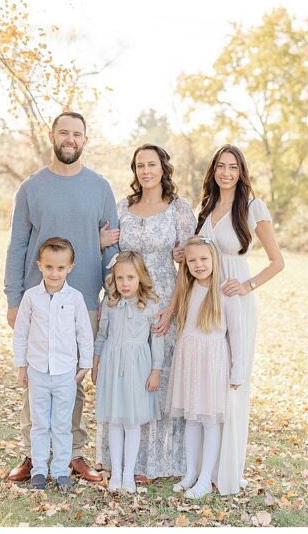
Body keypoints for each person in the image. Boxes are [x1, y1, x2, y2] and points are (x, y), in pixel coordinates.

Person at [4, 111, 118, 484]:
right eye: (64, 132)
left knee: (74, 381)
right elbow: (18, 245)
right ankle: (30, 454)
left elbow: (110, 249)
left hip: (84, 298)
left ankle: (75, 455)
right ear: (52, 135)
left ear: (85, 140)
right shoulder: (31, 188)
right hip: (37, 299)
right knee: (35, 378)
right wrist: (13, 297)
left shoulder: (100, 188)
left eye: (77, 134)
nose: (70, 139)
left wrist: (109, 293)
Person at [96, 144, 195, 481]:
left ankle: (152, 463)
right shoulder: (122, 207)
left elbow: (189, 264)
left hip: (165, 297)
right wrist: (100, 241)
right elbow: (110, 251)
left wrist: (173, 306)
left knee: (157, 376)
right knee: (127, 375)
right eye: (140, 165)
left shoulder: (179, 209)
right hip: (126, 300)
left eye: (152, 164)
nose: (146, 171)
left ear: (163, 168)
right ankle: (123, 464)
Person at [193, 145, 284, 495]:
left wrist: (248, 285)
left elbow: (277, 261)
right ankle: (204, 468)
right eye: (221, 166)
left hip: (236, 299)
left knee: (233, 382)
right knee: (209, 382)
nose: (226, 172)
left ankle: (227, 472)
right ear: (213, 169)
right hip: (206, 302)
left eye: (233, 167)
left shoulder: (252, 207)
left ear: (241, 171)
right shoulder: (207, 206)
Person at [165, 236, 245, 500]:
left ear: (214, 260)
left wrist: (238, 370)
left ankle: (205, 478)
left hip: (213, 361)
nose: (198, 265)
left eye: (203, 259)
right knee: (192, 419)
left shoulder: (225, 291)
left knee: (209, 420)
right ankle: (190, 472)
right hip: (189, 359)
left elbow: (237, 334)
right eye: (192, 261)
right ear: (185, 264)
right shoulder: (188, 290)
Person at [12, 237, 93, 492]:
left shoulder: (75, 298)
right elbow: (21, 332)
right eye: (49, 267)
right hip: (37, 370)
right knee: (39, 424)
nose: (54, 273)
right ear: (40, 266)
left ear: (70, 267)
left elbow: (84, 333)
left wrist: (86, 363)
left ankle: (59, 471)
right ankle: (38, 470)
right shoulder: (31, 297)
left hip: (65, 373)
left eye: (60, 268)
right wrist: (21, 366)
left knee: (60, 424)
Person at [92, 251, 163, 493]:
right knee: (114, 420)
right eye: (120, 277)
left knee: (132, 422)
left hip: (138, 368)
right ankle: (116, 473)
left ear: (141, 278)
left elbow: (158, 341)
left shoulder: (151, 304)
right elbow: (101, 336)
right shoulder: (110, 303)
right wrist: (95, 363)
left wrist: (156, 370)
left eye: (130, 277)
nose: (125, 283)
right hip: (112, 366)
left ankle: (129, 473)